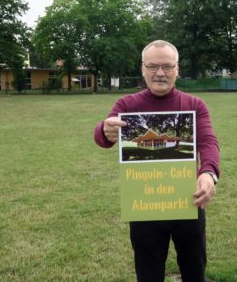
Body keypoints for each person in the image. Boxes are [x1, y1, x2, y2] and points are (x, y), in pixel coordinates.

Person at [94, 40, 220, 282]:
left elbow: (208, 143)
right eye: (152, 66)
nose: (160, 73)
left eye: (166, 66)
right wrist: (104, 130)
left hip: (187, 201)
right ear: (142, 69)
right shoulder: (127, 105)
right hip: (144, 206)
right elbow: (103, 138)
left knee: (194, 269)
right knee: (148, 272)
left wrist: (208, 173)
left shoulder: (195, 105)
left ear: (177, 69)